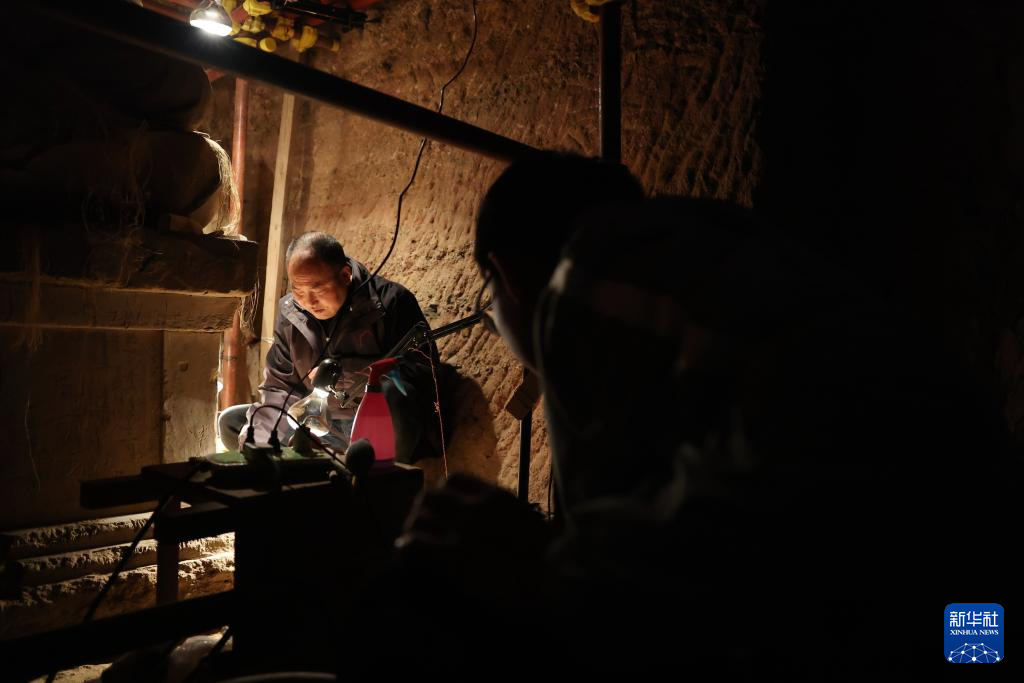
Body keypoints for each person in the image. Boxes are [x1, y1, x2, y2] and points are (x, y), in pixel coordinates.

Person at [385, 152, 1013, 676]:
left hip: (906, 584)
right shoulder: (734, 257)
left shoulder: (585, 275)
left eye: (488, 298)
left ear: (507, 274)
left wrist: (539, 562)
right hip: (976, 595)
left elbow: (611, 587)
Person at [219, 231, 443, 461]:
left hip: (374, 424)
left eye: (317, 289)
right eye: (298, 291)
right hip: (324, 426)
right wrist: (258, 450)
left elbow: (423, 373)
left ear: (345, 275)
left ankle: (369, 471)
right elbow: (280, 387)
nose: (308, 301)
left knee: (393, 397)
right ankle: (303, 463)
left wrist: (347, 376)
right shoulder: (291, 313)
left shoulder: (390, 302)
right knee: (234, 424)